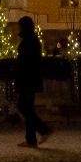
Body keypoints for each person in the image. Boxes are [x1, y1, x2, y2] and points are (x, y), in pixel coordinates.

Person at [12, 14, 52, 147]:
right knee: (27, 108)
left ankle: (43, 129)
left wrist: (21, 79)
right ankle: (31, 139)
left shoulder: (29, 41)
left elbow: (27, 63)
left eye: (19, 27)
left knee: (24, 107)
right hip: (29, 79)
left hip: (27, 80)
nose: (18, 29)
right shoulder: (31, 40)